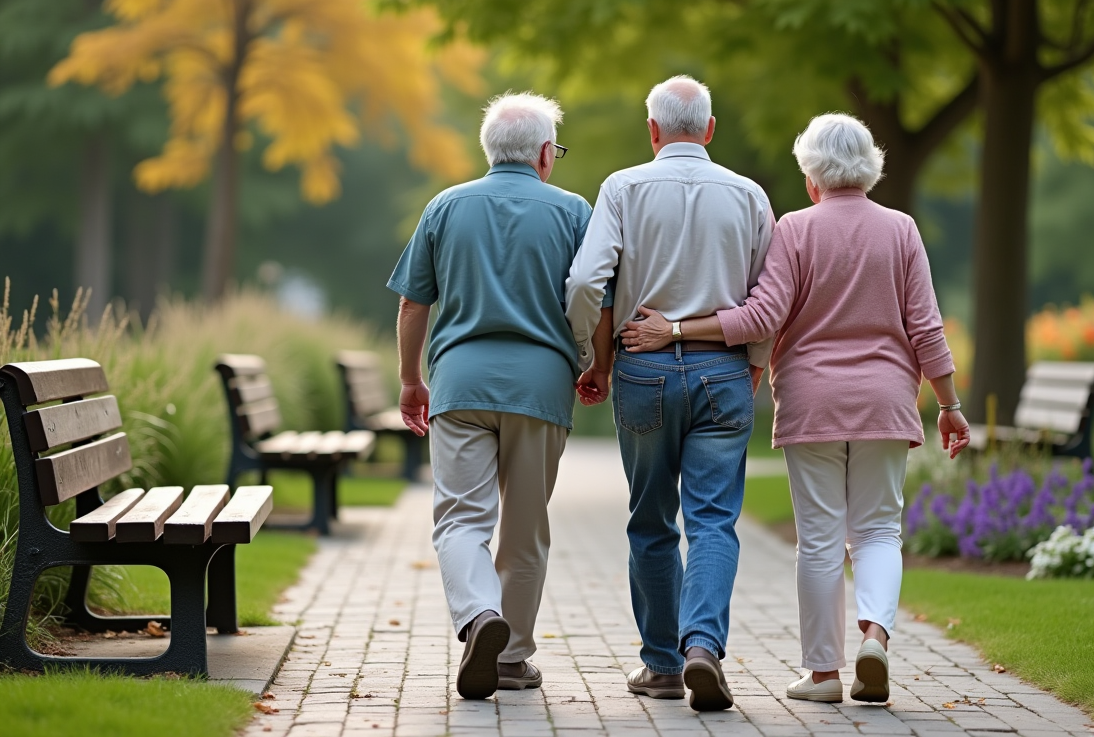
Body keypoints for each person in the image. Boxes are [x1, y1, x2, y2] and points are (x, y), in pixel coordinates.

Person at [620, 113, 970, 704]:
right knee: (879, 531)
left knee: (820, 539)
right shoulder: (902, 230)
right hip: (886, 401)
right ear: (871, 168)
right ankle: (875, 638)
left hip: (812, 403)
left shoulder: (796, 229)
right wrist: (949, 404)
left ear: (811, 176)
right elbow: (926, 328)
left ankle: (824, 675)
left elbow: (761, 317)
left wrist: (676, 329)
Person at [565, 76, 776, 712]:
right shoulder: (749, 195)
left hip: (643, 370)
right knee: (713, 521)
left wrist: (594, 357)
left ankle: (661, 665)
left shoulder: (622, 188)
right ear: (710, 129)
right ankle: (703, 646)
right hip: (723, 371)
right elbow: (771, 296)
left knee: (651, 520)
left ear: (652, 130)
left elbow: (586, 281)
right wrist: (756, 362)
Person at [388, 92, 600, 700]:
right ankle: (510, 659)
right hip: (541, 387)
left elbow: (413, 303)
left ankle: (480, 614)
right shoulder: (573, 211)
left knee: (461, 519)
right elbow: (594, 295)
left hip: (460, 384)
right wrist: (596, 363)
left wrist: (410, 380)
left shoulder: (445, 206)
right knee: (525, 529)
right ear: (544, 153)